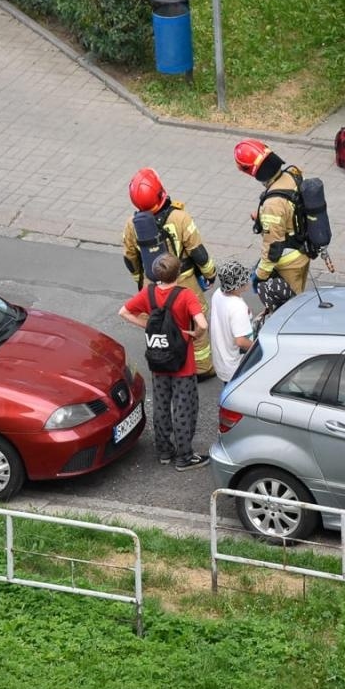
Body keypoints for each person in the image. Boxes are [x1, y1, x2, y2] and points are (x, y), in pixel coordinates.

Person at [121, 167, 217, 377]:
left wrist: (140, 281)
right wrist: (210, 274)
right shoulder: (180, 218)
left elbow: (130, 258)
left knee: (158, 322)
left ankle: (164, 358)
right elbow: (198, 252)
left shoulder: (131, 224)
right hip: (183, 279)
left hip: (152, 283)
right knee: (194, 316)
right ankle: (202, 367)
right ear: (160, 192)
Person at [118, 254, 210, 471]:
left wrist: (147, 325)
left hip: (158, 360)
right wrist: (192, 334)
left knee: (161, 405)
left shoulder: (148, 293)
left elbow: (123, 312)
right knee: (183, 408)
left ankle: (164, 451)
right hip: (182, 363)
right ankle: (184, 456)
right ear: (178, 273)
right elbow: (203, 324)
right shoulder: (185, 296)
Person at [234, 139, 311, 296]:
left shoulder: (273, 204)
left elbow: (273, 248)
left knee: (289, 309)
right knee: (299, 297)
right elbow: (290, 210)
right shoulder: (293, 174)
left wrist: (260, 276)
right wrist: (263, 217)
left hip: (288, 261)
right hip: (303, 250)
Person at [209, 258, 256, 383]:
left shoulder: (218, 294)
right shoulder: (237, 307)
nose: (247, 281)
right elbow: (241, 341)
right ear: (237, 285)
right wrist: (258, 348)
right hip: (235, 366)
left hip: (222, 360)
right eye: (244, 279)